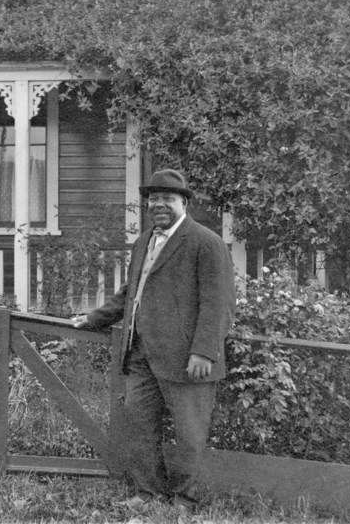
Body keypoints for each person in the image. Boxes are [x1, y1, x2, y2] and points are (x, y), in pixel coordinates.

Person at [73, 168, 236, 510]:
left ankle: (184, 500)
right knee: (140, 424)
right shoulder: (144, 241)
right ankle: (147, 493)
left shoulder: (206, 243)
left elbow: (218, 303)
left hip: (187, 358)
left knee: (189, 433)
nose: (159, 205)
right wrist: (92, 318)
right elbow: (129, 294)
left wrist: (204, 352)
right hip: (141, 353)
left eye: (168, 198)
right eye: (154, 199)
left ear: (184, 203)